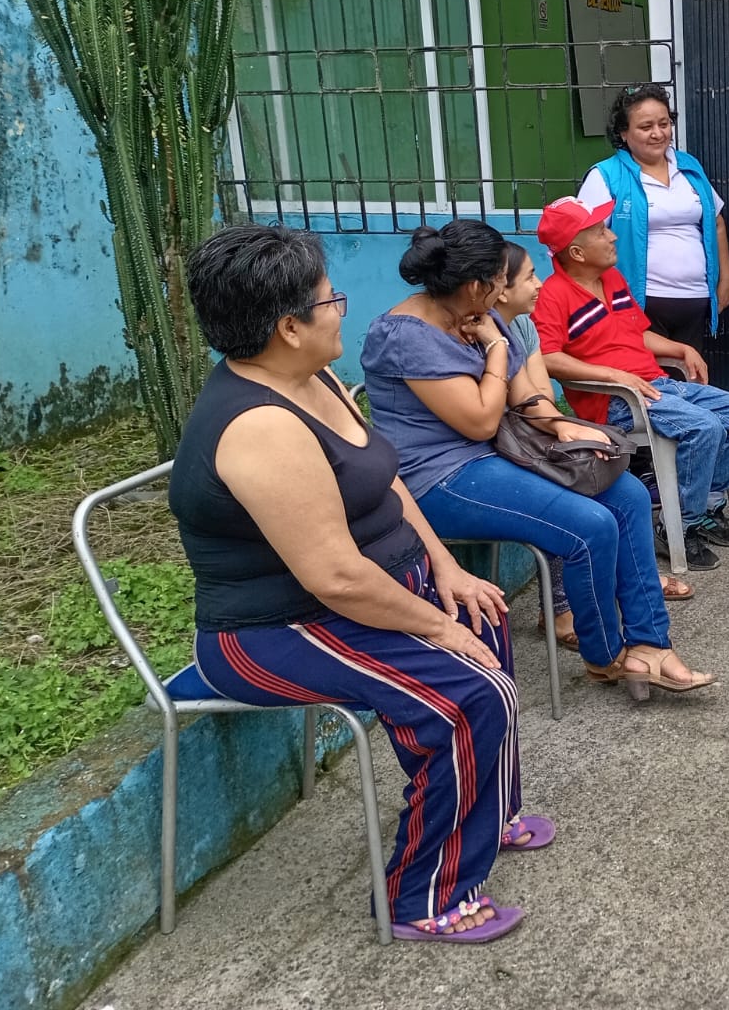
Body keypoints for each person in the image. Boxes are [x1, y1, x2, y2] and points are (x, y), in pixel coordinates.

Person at [169, 223, 541, 945]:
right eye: (328, 299)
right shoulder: (260, 427)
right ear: (288, 327)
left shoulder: (309, 378)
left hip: (363, 593)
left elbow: (385, 478)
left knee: (484, 613)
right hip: (278, 628)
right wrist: (435, 626)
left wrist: (444, 567)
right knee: (467, 695)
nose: (341, 309)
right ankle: (422, 897)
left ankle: (485, 813)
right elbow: (336, 577)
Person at [360, 220, 714, 696]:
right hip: (437, 478)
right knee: (590, 525)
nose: (506, 291)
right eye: (500, 281)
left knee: (626, 492)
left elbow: (525, 394)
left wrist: (563, 425)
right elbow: (480, 421)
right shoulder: (407, 336)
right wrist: (496, 347)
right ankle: (606, 655)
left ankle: (651, 645)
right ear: (476, 285)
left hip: (497, 456)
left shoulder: (479, 314)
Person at [532, 197, 729, 572]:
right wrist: (612, 375)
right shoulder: (554, 295)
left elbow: (637, 334)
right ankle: (678, 526)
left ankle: (703, 505)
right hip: (618, 401)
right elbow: (546, 357)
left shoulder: (612, 279)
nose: (612, 237)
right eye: (601, 232)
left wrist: (681, 348)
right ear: (576, 252)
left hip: (656, 385)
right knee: (704, 427)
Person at [492, 240, 697, 642]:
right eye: (530, 277)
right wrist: (551, 422)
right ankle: (559, 609)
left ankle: (636, 591)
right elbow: (491, 415)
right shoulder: (479, 332)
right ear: (499, 288)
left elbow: (538, 395)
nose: (539, 284)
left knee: (625, 489)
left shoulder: (521, 325)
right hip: (489, 444)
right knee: (565, 488)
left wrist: (558, 425)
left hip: (525, 428)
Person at [575, 83, 729, 355]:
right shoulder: (606, 176)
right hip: (637, 305)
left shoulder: (689, 167)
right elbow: (584, 239)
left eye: (664, 123)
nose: (658, 133)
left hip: (695, 301)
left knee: (690, 376)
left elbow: (716, 222)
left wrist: (725, 280)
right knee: (649, 380)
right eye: (646, 127)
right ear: (623, 133)